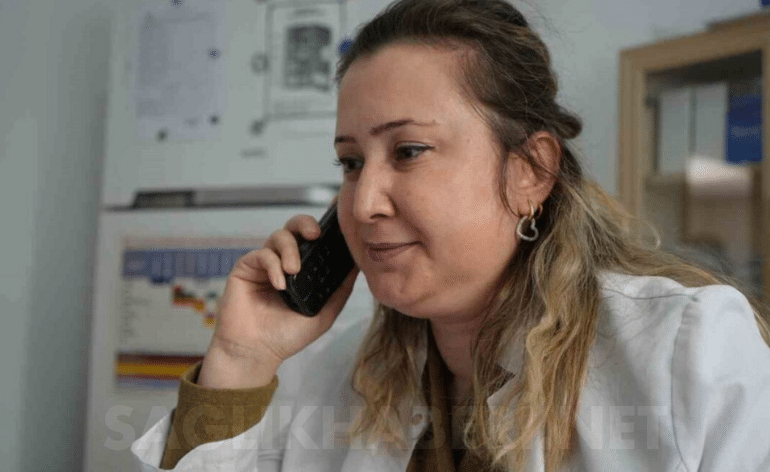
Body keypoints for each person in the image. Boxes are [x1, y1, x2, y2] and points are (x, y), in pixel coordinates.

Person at [132, 0, 770, 470]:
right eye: (350, 163)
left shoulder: (688, 352)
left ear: (530, 171)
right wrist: (241, 361)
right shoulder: (332, 375)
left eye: (408, 151)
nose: (364, 203)